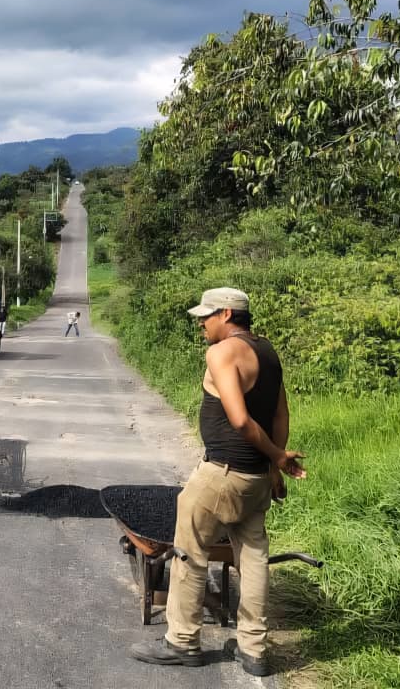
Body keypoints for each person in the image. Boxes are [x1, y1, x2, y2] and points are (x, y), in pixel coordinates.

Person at [129, 287, 306, 677]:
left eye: (206, 317)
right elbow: (280, 414)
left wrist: (277, 457)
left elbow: (240, 420)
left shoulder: (222, 353)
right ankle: (254, 651)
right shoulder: (268, 352)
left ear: (227, 314)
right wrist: (273, 465)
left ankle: (182, 642)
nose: (201, 325)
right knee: (254, 558)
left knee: (188, 555)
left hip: (220, 475)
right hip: (255, 478)